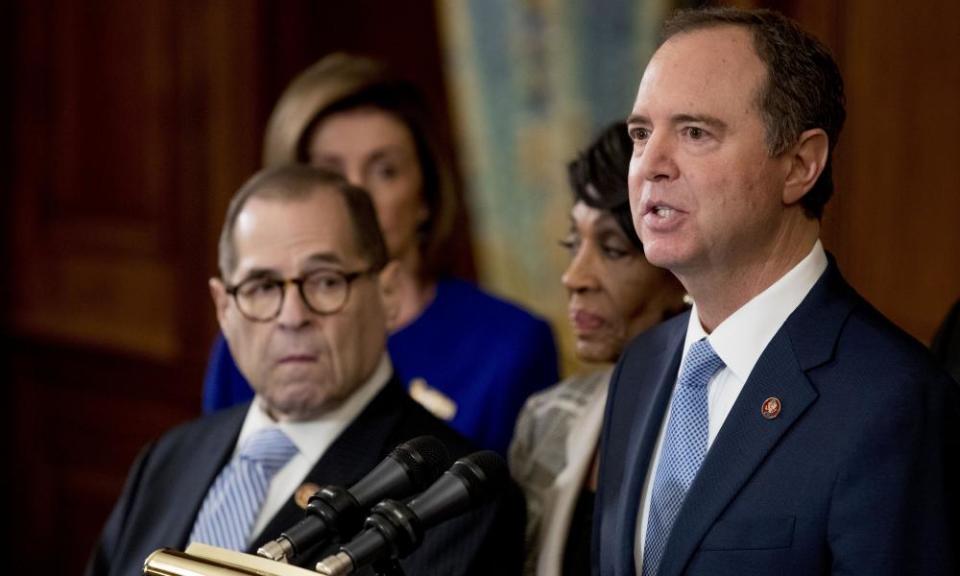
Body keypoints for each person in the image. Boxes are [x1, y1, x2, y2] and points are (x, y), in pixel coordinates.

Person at [594, 7, 960, 576]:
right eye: (642, 133)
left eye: (694, 132)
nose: (650, 166)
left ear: (800, 165)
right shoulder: (641, 366)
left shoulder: (895, 402)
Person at [86, 166, 524, 576]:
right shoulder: (168, 458)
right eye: (261, 287)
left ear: (387, 294)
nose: (292, 316)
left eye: (326, 281)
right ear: (224, 307)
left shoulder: (454, 499)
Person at [204, 53, 558, 456]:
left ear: (425, 194)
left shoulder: (509, 345)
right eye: (329, 174)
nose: (357, 195)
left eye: (385, 171)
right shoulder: (254, 332)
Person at [508, 121, 686, 576]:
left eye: (611, 249)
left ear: (679, 269)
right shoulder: (546, 420)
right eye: (573, 243)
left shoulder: (719, 428)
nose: (574, 277)